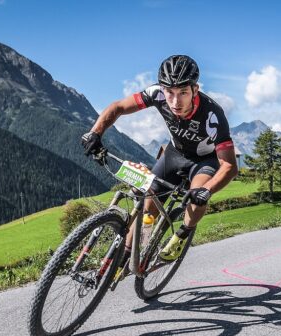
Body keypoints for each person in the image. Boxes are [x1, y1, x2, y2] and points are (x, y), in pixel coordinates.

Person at [80, 55, 238, 262]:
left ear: (195, 89)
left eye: (183, 92)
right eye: (170, 92)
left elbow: (229, 165)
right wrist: (95, 133)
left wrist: (207, 190)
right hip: (174, 154)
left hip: (204, 161)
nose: (175, 101)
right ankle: (126, 257)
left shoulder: (212, 115)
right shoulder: (156, 93)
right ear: (163, 89)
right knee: (148, 208)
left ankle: (182, 233)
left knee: (197, 196)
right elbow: (118, 107)